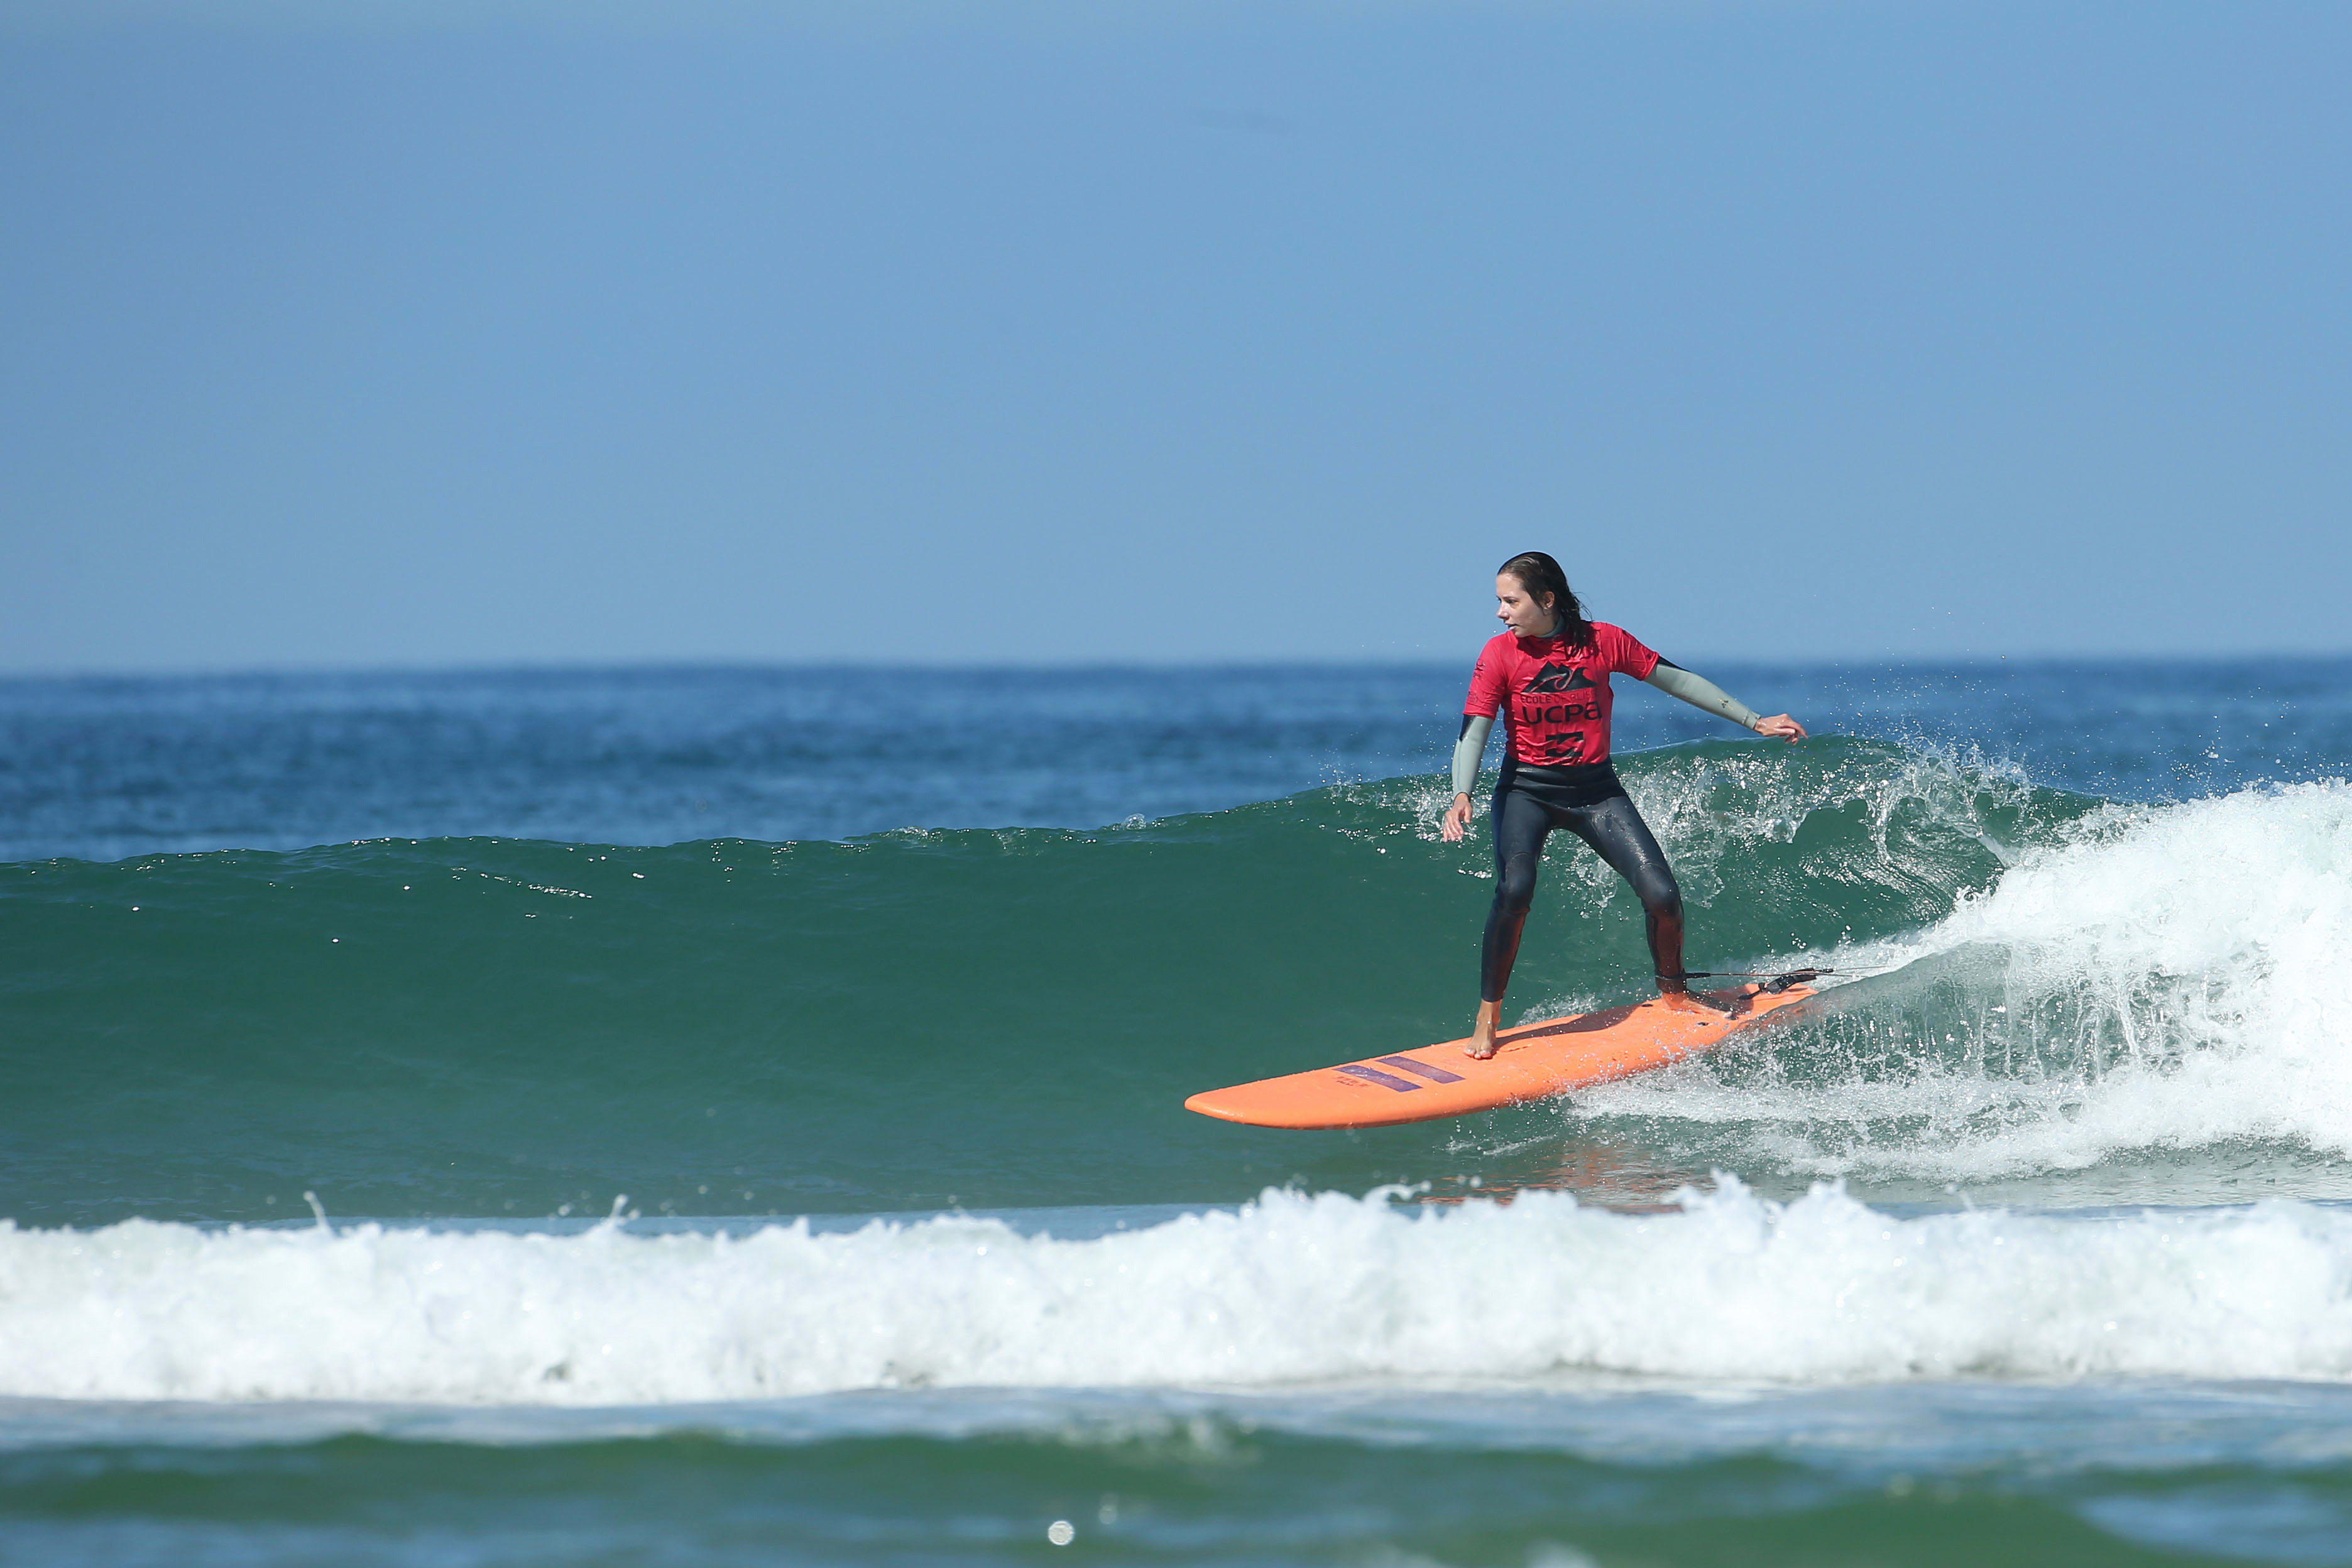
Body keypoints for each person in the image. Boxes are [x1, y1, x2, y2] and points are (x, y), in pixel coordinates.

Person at [1440, 552, 1807, 1059]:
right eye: (1499, 602)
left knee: (1661, 894)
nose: (1501, 612)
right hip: (1526, 790)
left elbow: (1674, 679)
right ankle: (1488, 1014)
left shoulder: (1603, 641)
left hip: (1595, 791)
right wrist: (1463, 793)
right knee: (1515, 887)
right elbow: (1475, 725)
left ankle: (1675, 995)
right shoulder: (1499, 653)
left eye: (1510, 601)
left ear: (1546, 600)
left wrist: (1754, 720)